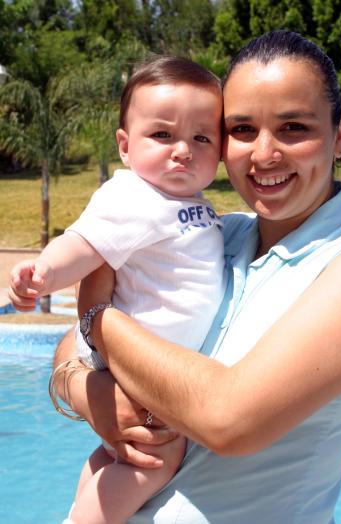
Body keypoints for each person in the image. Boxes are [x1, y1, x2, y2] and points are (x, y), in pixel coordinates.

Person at [52, 31, 341, 524]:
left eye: (293, 127)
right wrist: (96, 397)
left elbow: (227, 420)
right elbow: (64, 347)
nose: (264, 154)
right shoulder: (212, 234)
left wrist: (96, 315)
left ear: (340, 134)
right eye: (242, 129)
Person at [9, 56, 226, 524]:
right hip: (141, 367)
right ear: (125, 146)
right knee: (158, 457)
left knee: (117, 457)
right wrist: (44, 272)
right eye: (163, 135)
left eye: (202, 137)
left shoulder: (195, 205)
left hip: (153, 368)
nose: (183, 150)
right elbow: (82, 243)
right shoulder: (133, 197)